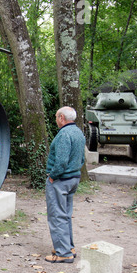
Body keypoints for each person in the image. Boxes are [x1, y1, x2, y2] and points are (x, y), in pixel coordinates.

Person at [44, 106, 85, 263]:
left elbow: (61, 162)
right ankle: (69, 247)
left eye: (56, 117)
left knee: (56, 215)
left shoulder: (64, 134)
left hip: (61, 180)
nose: (56, 120)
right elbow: (81, 159)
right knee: (66, 214)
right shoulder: (78, 133)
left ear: (62, 117)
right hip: (73, 178)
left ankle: (63, 253)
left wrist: (53, 177)